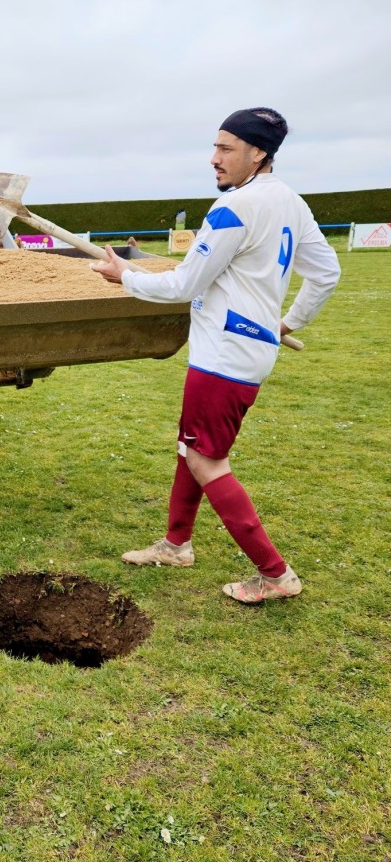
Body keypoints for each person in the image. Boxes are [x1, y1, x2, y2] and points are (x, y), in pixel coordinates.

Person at [91, 107, 340, 603]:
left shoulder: (234, 207)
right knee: (192, 448)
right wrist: (287, 323)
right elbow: (326, 272)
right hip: (246, 349)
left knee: (207, 461)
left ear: (258, 153)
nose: (214, 158)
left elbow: (184, 284)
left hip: (224, 357)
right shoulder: (290, 201)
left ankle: (275, 574)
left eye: (226, 148)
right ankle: (175, 545)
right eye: (215, 147)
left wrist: (126, 276)